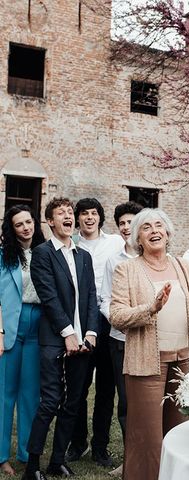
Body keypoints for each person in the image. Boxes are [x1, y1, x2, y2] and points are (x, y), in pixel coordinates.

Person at [109, 208, 189, 480]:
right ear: (137, 238)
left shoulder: (183, 266)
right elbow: (116, 315)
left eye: (159, 226)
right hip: (146, 365)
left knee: (180, 432)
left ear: (168, 233)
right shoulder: (126, 269)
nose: (154, 231)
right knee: (148, 437)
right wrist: (150, 308)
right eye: (146, 227)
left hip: (184, 362)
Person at [24, 198, 100, 480]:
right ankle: (32, 467)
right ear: (51, 222)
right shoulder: (43, 254)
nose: (68, 216)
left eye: (70, 213)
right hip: (55, 340)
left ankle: (57, 461)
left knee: (73, 402)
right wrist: (68, 333)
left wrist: (90, 333)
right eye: (62, 213)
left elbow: (92, 296)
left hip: (84, 341)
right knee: (50, 402)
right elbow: (49, 297)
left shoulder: (84, 256)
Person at [66, 198, 124, 468]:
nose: (89, 218)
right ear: (78, 219)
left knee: (106, 389)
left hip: (109, 321)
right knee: (78, 387)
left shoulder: (115, 243)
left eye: (94, 213)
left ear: (100, 218)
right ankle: (78, 442)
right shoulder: (72, 244)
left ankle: (100, 447)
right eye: (84, 214)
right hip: (80, 321)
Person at [98, 201, 143, 475]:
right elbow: (105, 299)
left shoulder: (153, 255)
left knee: (148, 401)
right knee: (126, 402)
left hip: (149, 339)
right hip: (120, 339)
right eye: (122, 223)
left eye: (131, 222)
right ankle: (130, 459)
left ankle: (151, 454)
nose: (127, 227)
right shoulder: (113, 261)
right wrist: (120, 320)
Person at [0, 206, 45, 476]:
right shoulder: (4, 256)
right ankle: (1, 456)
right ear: (12, 229)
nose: (26, 227)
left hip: (39, 326)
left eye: (29, 221)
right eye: (19, 224)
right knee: (5, 394)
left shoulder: (45, 253)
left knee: (31, 394)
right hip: (10, 325)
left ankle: (28, 453)